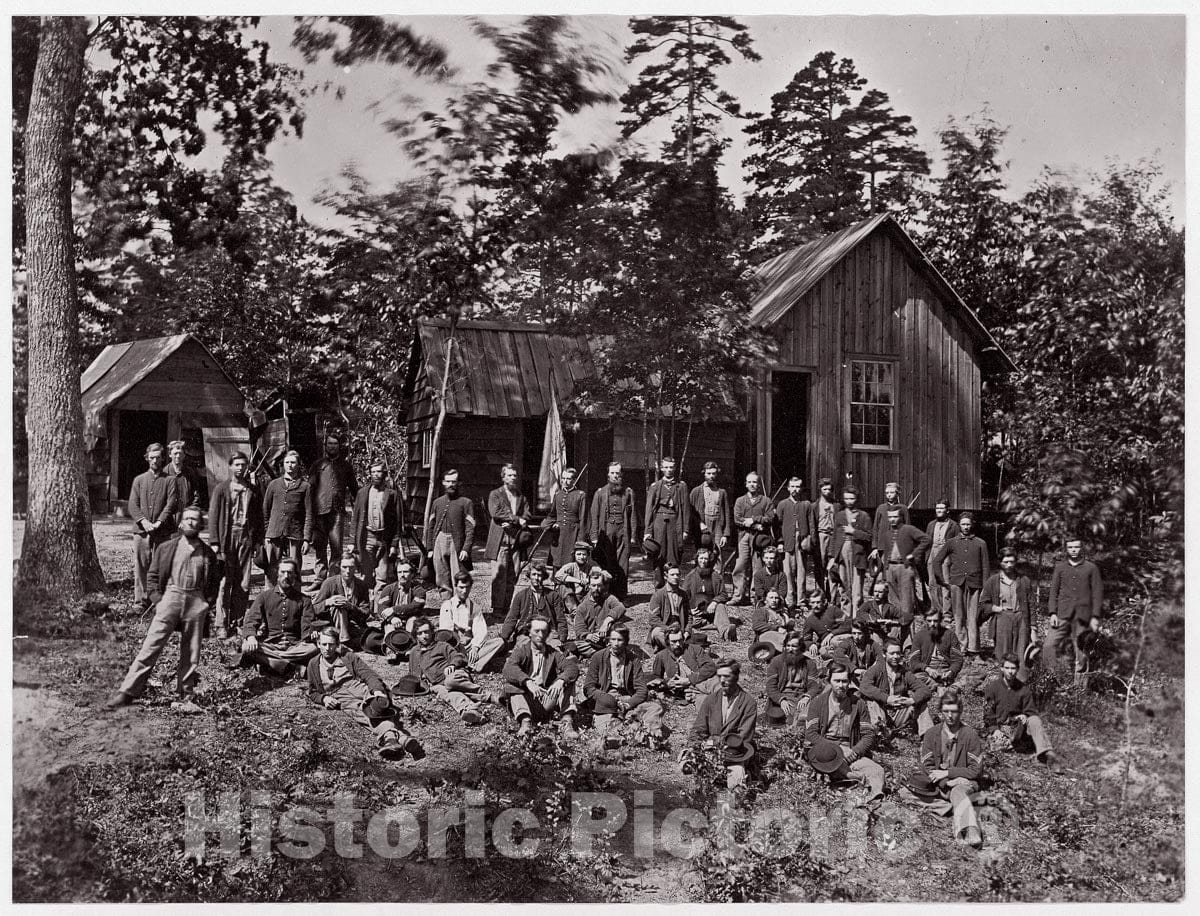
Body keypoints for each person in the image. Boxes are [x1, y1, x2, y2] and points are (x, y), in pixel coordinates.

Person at [106, 506, 220, 712]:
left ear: (201, 525)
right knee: (151, 645)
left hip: (196, 600)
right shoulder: (167, 548)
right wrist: (159, 601)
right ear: (180, 523)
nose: (191, 522)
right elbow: (152, 577)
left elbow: (214, 583)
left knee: (191, 651)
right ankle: (128, 692)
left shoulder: (208, 554)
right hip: (171, 597)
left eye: (195, 519)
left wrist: (205, 604)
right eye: (187, 519)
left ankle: (185, 695)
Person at [306, 627, 423, 761]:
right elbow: (312, 692)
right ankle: (400, 738)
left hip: (357, 686)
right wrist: (324, 698)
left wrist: (377, 690)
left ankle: (393, 739)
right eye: (324, 644)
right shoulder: (313, 664)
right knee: (361, 712)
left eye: (331, 644)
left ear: (337, 644)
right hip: (339, 694)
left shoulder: (348, 657)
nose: (327, 648)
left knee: (377, 706)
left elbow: (368, 674)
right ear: (318, 644)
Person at [909, 688, 984, 848]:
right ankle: (954, 806)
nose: (950, 716)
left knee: (958, 791)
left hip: (964, 783)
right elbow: (927, 765)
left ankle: (969, 830)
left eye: (954, 711)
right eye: (946, 711)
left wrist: (949, 773)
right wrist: (945, 780)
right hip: (939, 784)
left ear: (961, 711)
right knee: (906, 791)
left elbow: (975, 770)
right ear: (941, 712)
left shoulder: (970, 734)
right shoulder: (931, 734)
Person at [804, 662, 885, 801]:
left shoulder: (858, 704)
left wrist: (853, 754)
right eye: (837, 681)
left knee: (878, 770)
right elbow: (811, 733)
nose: (841, 685)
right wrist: (836, 749)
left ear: (849, 682)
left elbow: (868, 735)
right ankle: (850, 776)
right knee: (824, 763)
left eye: (844, 681)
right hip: (825, 750)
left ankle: (873, 796)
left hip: (850, 750)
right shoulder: (818, 702)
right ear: (829, 681)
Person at [208, 451, 264, 638]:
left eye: (243, 464)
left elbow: (258, 518)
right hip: (226, 538)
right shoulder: (221, 489)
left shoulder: (253, 490)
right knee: (224, 582)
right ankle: (221, 624)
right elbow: (214, 517)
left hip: (246, 537)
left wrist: (257, 542)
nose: (240, 468)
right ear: (230, 466)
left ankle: (238, 621)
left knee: (244, 582)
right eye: (237, 464)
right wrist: (215, 542)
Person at [582, 626, 666, 747]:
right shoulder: (598, 657)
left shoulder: (633, 660)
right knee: (605, 720)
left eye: (620, 640)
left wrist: (628, 704)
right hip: (605, 698)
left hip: (626, 697)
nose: (616, 644)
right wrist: (604, 698)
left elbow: (642, 689)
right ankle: (618, 735)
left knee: (654, 708)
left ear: (626, 641)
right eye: (613, 639)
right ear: (608, 640)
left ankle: (650, 734)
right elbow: (588, 687)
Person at [234, 558, 320, 676]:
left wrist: (311, 634)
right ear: (277, 575)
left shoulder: (304, 600)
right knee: (246, 647)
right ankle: (291, 667)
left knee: (314, 648)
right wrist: (250, 637)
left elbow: (307, 625)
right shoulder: (264, 597)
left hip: (294, 647)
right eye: (283, 572)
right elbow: (251, 620)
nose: (286, 576)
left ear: (295, 575)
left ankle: (272, 663)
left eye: (290, 572)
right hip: (270, 645)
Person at [408, 617, 497, 725]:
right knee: (448, 693)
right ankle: (470, 711)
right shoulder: (414, 652)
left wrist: (452, 665)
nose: (424, 636)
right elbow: (413, 673)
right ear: (415, 635)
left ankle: (486, 695)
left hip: (455, 675)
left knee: (450, 682)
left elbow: (459, 656)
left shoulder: (441, 645)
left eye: (426, 632)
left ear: (432, 632)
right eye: (420, 633)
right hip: (437, 683)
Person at [504, 616, 581, 738]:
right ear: (529, 633)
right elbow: (508, 669)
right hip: (527, 699)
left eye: (544, 631)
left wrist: (560, 681)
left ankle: (566, 722)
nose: (540, 635)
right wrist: (528, 682)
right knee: (512, 684)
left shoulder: (553, 653)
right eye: (536, 631)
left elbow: (572, 668)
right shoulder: (521, 650)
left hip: (546, 697)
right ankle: (525, 723)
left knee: (568, 681)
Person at [688, 659, 758, 789]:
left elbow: (743, 737)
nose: (722, 680)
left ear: (736, 677)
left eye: (726, 676)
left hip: (735, 755)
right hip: (711, 751)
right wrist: (694, 747)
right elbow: (698, 728)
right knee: (693, 771)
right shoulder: (711, 699)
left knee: (735, 781)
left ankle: (730, 805)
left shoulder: (748, 703)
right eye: (719, 676)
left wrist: (712, 742)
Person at [1041, 537, 1104, 683]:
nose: (1074, 550)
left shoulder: (1091, 568)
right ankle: (1053, 680)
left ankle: (1079, 689)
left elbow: (1097, 593)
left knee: (1081, 653)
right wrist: (1052, 613)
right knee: (1048, 646)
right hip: (1062, 614)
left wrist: (1095, 617)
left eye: (1076, 547)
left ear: (1082, 548)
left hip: (1083, 617)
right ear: (1066, 549)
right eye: (1070, 547)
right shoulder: (1060, 567)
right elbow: (1053, 592)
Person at [982, 654, 1059, 766]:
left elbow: (1031, 711)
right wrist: (994, 729)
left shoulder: (1024, 689)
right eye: (1007, 668)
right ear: (1002, 668)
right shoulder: (993, 688)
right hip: (999, 728)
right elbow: (988, 713)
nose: (1010, 672)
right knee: (998, 746)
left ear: (1017, 669)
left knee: (1034, 720)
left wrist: (1025, 715)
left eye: (1013, 668)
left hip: (1017, 727)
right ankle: (1017, 745)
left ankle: (1045, 753)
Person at [128, 442, 179, 609]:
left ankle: (158, 601)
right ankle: (141, 601)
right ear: (146, 459)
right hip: (142, 532)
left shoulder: (170, 480)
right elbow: (132, 505)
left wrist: (158, 522)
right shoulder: (139, 480)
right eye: (151, 458)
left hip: (163, 531)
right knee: (141, 565)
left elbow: (171, 504)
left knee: (161, 566)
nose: (155, 461)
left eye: (158, 457)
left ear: (163, 458)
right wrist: (144, 522)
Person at [933, 513, 991, 657]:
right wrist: (942, 581)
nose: (966, 527)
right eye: (963, 524)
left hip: (975, 584)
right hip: (956, 583)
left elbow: (986, 568)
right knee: (959, 616)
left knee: (973, 616)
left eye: (968, 524)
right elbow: (936, 561)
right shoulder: (952, 542)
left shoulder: (980, 543)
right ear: (959, 525)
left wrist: (985, 589)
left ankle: (974, 648)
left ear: (972, 525)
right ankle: (961, 647)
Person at [308, 434, 360, 585]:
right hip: (319, 512)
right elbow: (310, 489)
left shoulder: (345, 466)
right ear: (325, 446)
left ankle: (332, 580)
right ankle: (319, 579)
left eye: (335, 444)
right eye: (329, 444)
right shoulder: (317, 465)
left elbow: (354, 488)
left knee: (336, 549)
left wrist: (362, 503)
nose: (332, 446)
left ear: (339, 446)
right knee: (320, 547)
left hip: (337, 512)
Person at [859, 640, 934, 739]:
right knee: (872, 701)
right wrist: (887, 699)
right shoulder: (876, 670)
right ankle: (880, 733)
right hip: (881, 712)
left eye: (898, 653)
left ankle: (928, 737)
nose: (895, 657)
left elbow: (925, 690)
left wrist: (911, 701)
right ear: (884, 654)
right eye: (892, 653)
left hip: (899, 711)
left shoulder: (904, 673)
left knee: (921, 702)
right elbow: (864, 687)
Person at [486, 463, 532, 615]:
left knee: (513, 575)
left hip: (517, 540)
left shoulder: (521, 496)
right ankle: (498, 608)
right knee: (500, 575)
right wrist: (516, 520)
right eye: (509, 475)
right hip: (501, 540)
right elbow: (496, 513)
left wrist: (519, 520)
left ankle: (506, 608)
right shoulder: (495, 494)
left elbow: (527, 514)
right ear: (503, 477)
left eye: (514, 475)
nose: (513, 478)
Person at [262, 450, 313, 587]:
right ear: (283, 465)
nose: (290, 465)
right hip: (274, 532)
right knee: (272, 568)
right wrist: (267, 533)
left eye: (293, 462)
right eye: (287, 462)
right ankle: (271, 597)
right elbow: (266, 510)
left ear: (298, 465)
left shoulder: (305, 486)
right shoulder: (274, 485)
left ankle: (294, 596)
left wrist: (306, 539)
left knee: (294, 567)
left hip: (294, 533)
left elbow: (309, 514)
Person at [872, 505, 930, 626]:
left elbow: (926, 539)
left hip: (904, 568)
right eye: (890, 517)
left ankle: (909, 639)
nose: (892, 519)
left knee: (907, 605)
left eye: (895, 516)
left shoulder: (908, 529)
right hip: (890, 569)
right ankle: (896, 636)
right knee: (893, 603)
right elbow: (886, 554)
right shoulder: (887, 534)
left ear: (901, 517)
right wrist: (885, 571)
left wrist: (914, 554)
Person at [350, 460, 403, 590]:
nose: (376, 475)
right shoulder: (363, 493)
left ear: (384, 473)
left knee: (382, 575)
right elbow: (355, 518)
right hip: (367, 537)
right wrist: (352, 541)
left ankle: (379, 605)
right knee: (365, 573)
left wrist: (394, 544)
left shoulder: (392, 495)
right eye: (373, 472)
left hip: (384, 539)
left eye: (379, 471)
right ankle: (366, 605)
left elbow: (397, 522)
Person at [438, 571, 505, 673]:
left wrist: (475, 647)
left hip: (469, 646)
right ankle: (465, 662)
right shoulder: (447, 605)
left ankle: (469, 664)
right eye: (461, 587)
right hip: (453, 646)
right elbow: (446, 631)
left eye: (467, 587)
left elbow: (481, 631)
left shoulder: (475, 607)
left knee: (499, 642)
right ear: (455, 586)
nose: (464, 591)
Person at [589, 462, 637, 600]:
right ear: (608, 475)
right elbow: (594, 516)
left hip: (623, 530)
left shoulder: (628, 492)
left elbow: (633, 514)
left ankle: (621, 595)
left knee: (623, 563)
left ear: (621, 474)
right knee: (607, 562)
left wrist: (633, 535)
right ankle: (607, 594)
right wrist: (594, 536)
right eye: (613, 473)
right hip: (606, 531)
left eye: (618, 473)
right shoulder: (600, 493)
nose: (615, 476)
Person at [425, 469, 476, 597]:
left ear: (459, 483)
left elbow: (470, 528)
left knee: (458, 575)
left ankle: (459, 604)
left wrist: (466, 548)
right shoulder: (437, 502)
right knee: (441, 574)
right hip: (440, 540)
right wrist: (430, 548)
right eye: (448, 481)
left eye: (454, 481)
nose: (451, 484)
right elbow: (431, 526)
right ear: (443, 483)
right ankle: (446, 605)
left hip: (457, 542)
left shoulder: (466, 503)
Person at [644, 456, 691, 589]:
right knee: (658, 555)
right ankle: (659, 589)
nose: (669, 470)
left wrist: (686, 530)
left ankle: (673, 587)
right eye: (666, 467)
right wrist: (647, 532)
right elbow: (649, 511)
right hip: (659, 524)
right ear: (662, 468)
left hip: (675, 524)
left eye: (671, 467)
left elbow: (686, 510)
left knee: (674, 555)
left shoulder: (681, 486)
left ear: (675, 468)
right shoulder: (656, 486)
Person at [981, 550, 1034, 667]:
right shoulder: (993, 581)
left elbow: (1031, 605)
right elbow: (983, 603)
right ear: (1000, 562)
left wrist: (1033, 628)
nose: (1009, 565)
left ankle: (1021, 681)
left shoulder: (1024, 580)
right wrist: (995, 608)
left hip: (1021, 619)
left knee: (1021, 653)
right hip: (1003, 619)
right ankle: (1004, 681)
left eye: (1012, 562)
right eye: (1006, 562)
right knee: (1003, 654)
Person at [730, 472, 775, 605]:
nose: (752, 484)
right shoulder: (740, 501)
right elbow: (737, 519)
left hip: (760, 538)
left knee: (758, 566)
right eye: (749, 482)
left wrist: (754, 520)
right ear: (746, 484)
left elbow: (770, 517)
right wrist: (756, 525)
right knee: (741, 565)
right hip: (743, 536)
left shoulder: (766, 501)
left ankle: (756, 597)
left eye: (754, 482)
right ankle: (738, 595)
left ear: (759, 484)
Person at [501, 562, 569, 647]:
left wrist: (562, 639)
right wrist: (503, 638)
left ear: (543, 577)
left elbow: (561, 619)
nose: (536, 578)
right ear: (529, 576)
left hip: (548, 632)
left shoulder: (553, 595)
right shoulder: (521, 596)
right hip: (526, 633)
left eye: (539, 575)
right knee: (527, 649)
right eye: (534, 574)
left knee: (554, 648)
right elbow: (511, 619)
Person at [826, 486, 872, 610]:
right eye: (846, 498)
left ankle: (857, 616)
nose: (849, 501)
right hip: (841, 552)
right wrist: (831, 556)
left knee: (857, 588)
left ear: (857, 499)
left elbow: (869, 537)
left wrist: (854, 532)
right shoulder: (840, 515)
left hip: (857, 553)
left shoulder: (864, 516)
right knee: (843, 585)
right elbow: (834, 536)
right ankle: (846, 614)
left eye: (852, 498)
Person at [311, 554, 372, 648]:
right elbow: (314, 608)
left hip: (354, 625)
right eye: (344, 567)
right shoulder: (329, 583)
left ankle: (346, 639)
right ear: (339, 566)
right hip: (333, 625)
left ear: (356, 567)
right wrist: (328, 602)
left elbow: (366, 612)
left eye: (351, 567)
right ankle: (343, 641)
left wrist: (350, 606)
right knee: (339, 606)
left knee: (371, 640)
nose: (348, 571)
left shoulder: (361, 585)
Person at [908, 606, 964, 703]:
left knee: (979, 674)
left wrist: (951, 671)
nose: (932, 624)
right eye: (929, 621)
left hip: (945, 672)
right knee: (912, 678)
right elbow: (913, 661)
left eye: (935, 621)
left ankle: (939, 686)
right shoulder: (919, 636)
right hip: (926, 673)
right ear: (925, 621)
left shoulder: (950, 635)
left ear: (941, 620)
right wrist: (927, 668)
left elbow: (958, 659)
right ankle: (942, 687)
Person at [682, 547, 739, 641]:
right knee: (690, 620)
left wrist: (715, 602)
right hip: (696, 613)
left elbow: (724, 594)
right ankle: (708, 623)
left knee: (720, 606)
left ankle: (726, 632)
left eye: (705, 559)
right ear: (697, 559)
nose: (703, 561)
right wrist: (690, 610)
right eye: (701, 558)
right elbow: (683, 597)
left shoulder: (715, 576)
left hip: (711, 611)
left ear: (709, 560)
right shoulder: (690, 576)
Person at [764, 631, 820, 726]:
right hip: (784, 697)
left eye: (794, 646)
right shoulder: (776, 662)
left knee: (811, 716)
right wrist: (781, 700)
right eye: (788, 646)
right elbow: (770, 687)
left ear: (801, 648)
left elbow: (814, 685)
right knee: (786, 719)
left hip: (802, 697)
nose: (790, 649)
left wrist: (807, 697)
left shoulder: (809, 663)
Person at [570, 569, 629, 659]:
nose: (596, 589)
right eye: (593, 585)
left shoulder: (609, 599)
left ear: (603, 586)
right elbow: (579, 628)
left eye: (599, 585)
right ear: (589, 586)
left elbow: (620, 608)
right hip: (590, 642)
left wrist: (606, 622)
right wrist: (590, 636)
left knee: (617, 639)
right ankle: (603, 653)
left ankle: (599, 654)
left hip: (607, 640)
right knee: (575, 644)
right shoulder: (582, 607)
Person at [649, 626, 718, 701]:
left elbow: (710, 667)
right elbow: (656, 677)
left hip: (702, 681)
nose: (678, 644)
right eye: (674, 641)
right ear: (667, 642)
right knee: (705, 703)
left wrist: (689, 680)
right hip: (688, 691)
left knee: (719, 690)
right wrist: (666, 683)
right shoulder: (662, 655)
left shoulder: (695, 649)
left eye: (680, 640)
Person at [776, 476, 815, 608]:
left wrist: (810, 541)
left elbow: (811, 524)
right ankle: (789, 600)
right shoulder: (782, 504)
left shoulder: (806, 504)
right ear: (788, 488)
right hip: (788, 540)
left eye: (797, 486)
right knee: (788, 571)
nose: (795, 489)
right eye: (792, 486)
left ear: (801, 488)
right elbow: (778, 525)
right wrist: (780, 542)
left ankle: (801, 600)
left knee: (802, 571)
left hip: (802, 540)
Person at [925, 500, 960, 620]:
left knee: (945, 584)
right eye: (937, 508)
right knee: (932, 583)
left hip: (945, 556)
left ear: (947, 510)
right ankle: (936, 609)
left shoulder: (953, 525)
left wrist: (953, 559)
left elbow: (956, 544)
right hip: (932, 554)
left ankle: (947, 613)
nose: (939, 510)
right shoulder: (931, 524)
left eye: (941, 508)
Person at [689, 460, 731, 556]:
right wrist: (700, 524)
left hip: (718, 525)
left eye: (713, 473)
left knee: (717, 553)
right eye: (708, 473)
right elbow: (690, 512)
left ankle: (717, 571)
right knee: (702, 554)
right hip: (703, 525)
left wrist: (725, 534)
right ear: (704, 473)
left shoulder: (722, 492)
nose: (711, 476)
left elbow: (727, 513)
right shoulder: (696, 491)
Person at [373, 561, 428, 633]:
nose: (402, 575)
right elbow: (381, 607)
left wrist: (394, 609)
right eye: (399, 572)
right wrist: (392, 618)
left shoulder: (419, 590)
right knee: (390, 632)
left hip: (411, 618)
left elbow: (416, 606)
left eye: (405, 572)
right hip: (393, 620)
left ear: (412, 574)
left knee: (412, 626)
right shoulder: (389, 588)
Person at [550, 467, 589, 567]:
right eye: (563, 478)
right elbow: (552, 515)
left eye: (568, 479)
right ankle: (556, 582)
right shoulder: (558, 494)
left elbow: (583, 519)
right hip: (558, 534)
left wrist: (581, 540)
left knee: (570, 562)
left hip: (573, 533)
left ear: (574, 480)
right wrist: (547, 525)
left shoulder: (580, 495)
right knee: (557, 560)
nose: (565, 481)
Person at [647, 564, 692, 650]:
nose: (676, 577)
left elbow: (689, 616)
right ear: (665, 576)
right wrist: (667, 630)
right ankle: (678, 648)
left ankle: (677, 646)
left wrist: (687, 631)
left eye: (678, 574)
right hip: (664, 629)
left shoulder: (683, 594)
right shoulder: (658, 595)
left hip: (680, 629)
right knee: (657, 633)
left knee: (699, 640)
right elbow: (653, 619)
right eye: (672, 575)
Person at [800, 589, 853, 658]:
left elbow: (849, 624)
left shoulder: (833, 610)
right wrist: (811, 644)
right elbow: (806, 639)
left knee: (834, 641)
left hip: (842, 636)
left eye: (818, 602)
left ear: (824, 602)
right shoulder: (810, 620)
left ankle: (850, 653)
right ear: (809, 603)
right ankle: (842, 657)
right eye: (813, 603)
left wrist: (832, 634)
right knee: (823, 652)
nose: (815, 605)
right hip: (828, 644)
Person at [856, 579, 905, 650]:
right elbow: (860, 614)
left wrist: (892, 622)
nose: (877, 594)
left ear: (885, 593)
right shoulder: (868, 604)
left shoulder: (889, 606)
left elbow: (903, 617)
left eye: (880, 592)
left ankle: (906, 649)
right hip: (873, 632)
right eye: (875, 591)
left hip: (888, 633)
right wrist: (875, 620)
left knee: (899, 628)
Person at [812, 477, 840, 596]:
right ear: (820, 490)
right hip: (821, 535)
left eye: (829, 489)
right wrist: (814, 540)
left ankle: (832, 593)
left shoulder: (837, 505)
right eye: (824, 489)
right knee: (820, 564)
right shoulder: (815, 505)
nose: (827, 492)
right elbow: (812, 524)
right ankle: (820, 591)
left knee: (833, 564)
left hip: (833, 535)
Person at [166, 439, 203, 522]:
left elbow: (196, 496)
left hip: (185, 518)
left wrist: (188, 515)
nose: (178, 456)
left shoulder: (190, 473)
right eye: (175, 453)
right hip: (168, 519)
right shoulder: (164, 474)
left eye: (180, 453)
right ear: (170, 455)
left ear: (184, 455)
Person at [750, 588, 795, 652]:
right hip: (766, 641)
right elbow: (756, 625)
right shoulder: (761, 611)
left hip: (782, 639)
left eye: (776, 598)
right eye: (771, 598)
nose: (774, 600)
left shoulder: (782, 613)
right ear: (765, 600)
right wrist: (777, 628)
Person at [554, 541, 594, 613]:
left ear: (588, 555)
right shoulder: (570, 566)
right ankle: (574, 612)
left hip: (584, 598)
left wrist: (589, 580)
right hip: (569, 599)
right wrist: (578, 581)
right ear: (574, 555)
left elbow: (601, 574)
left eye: (584, 554)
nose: (581, 557)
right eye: (579, 554)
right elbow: (558, 575)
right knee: (563, 586)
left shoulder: (591, 567)